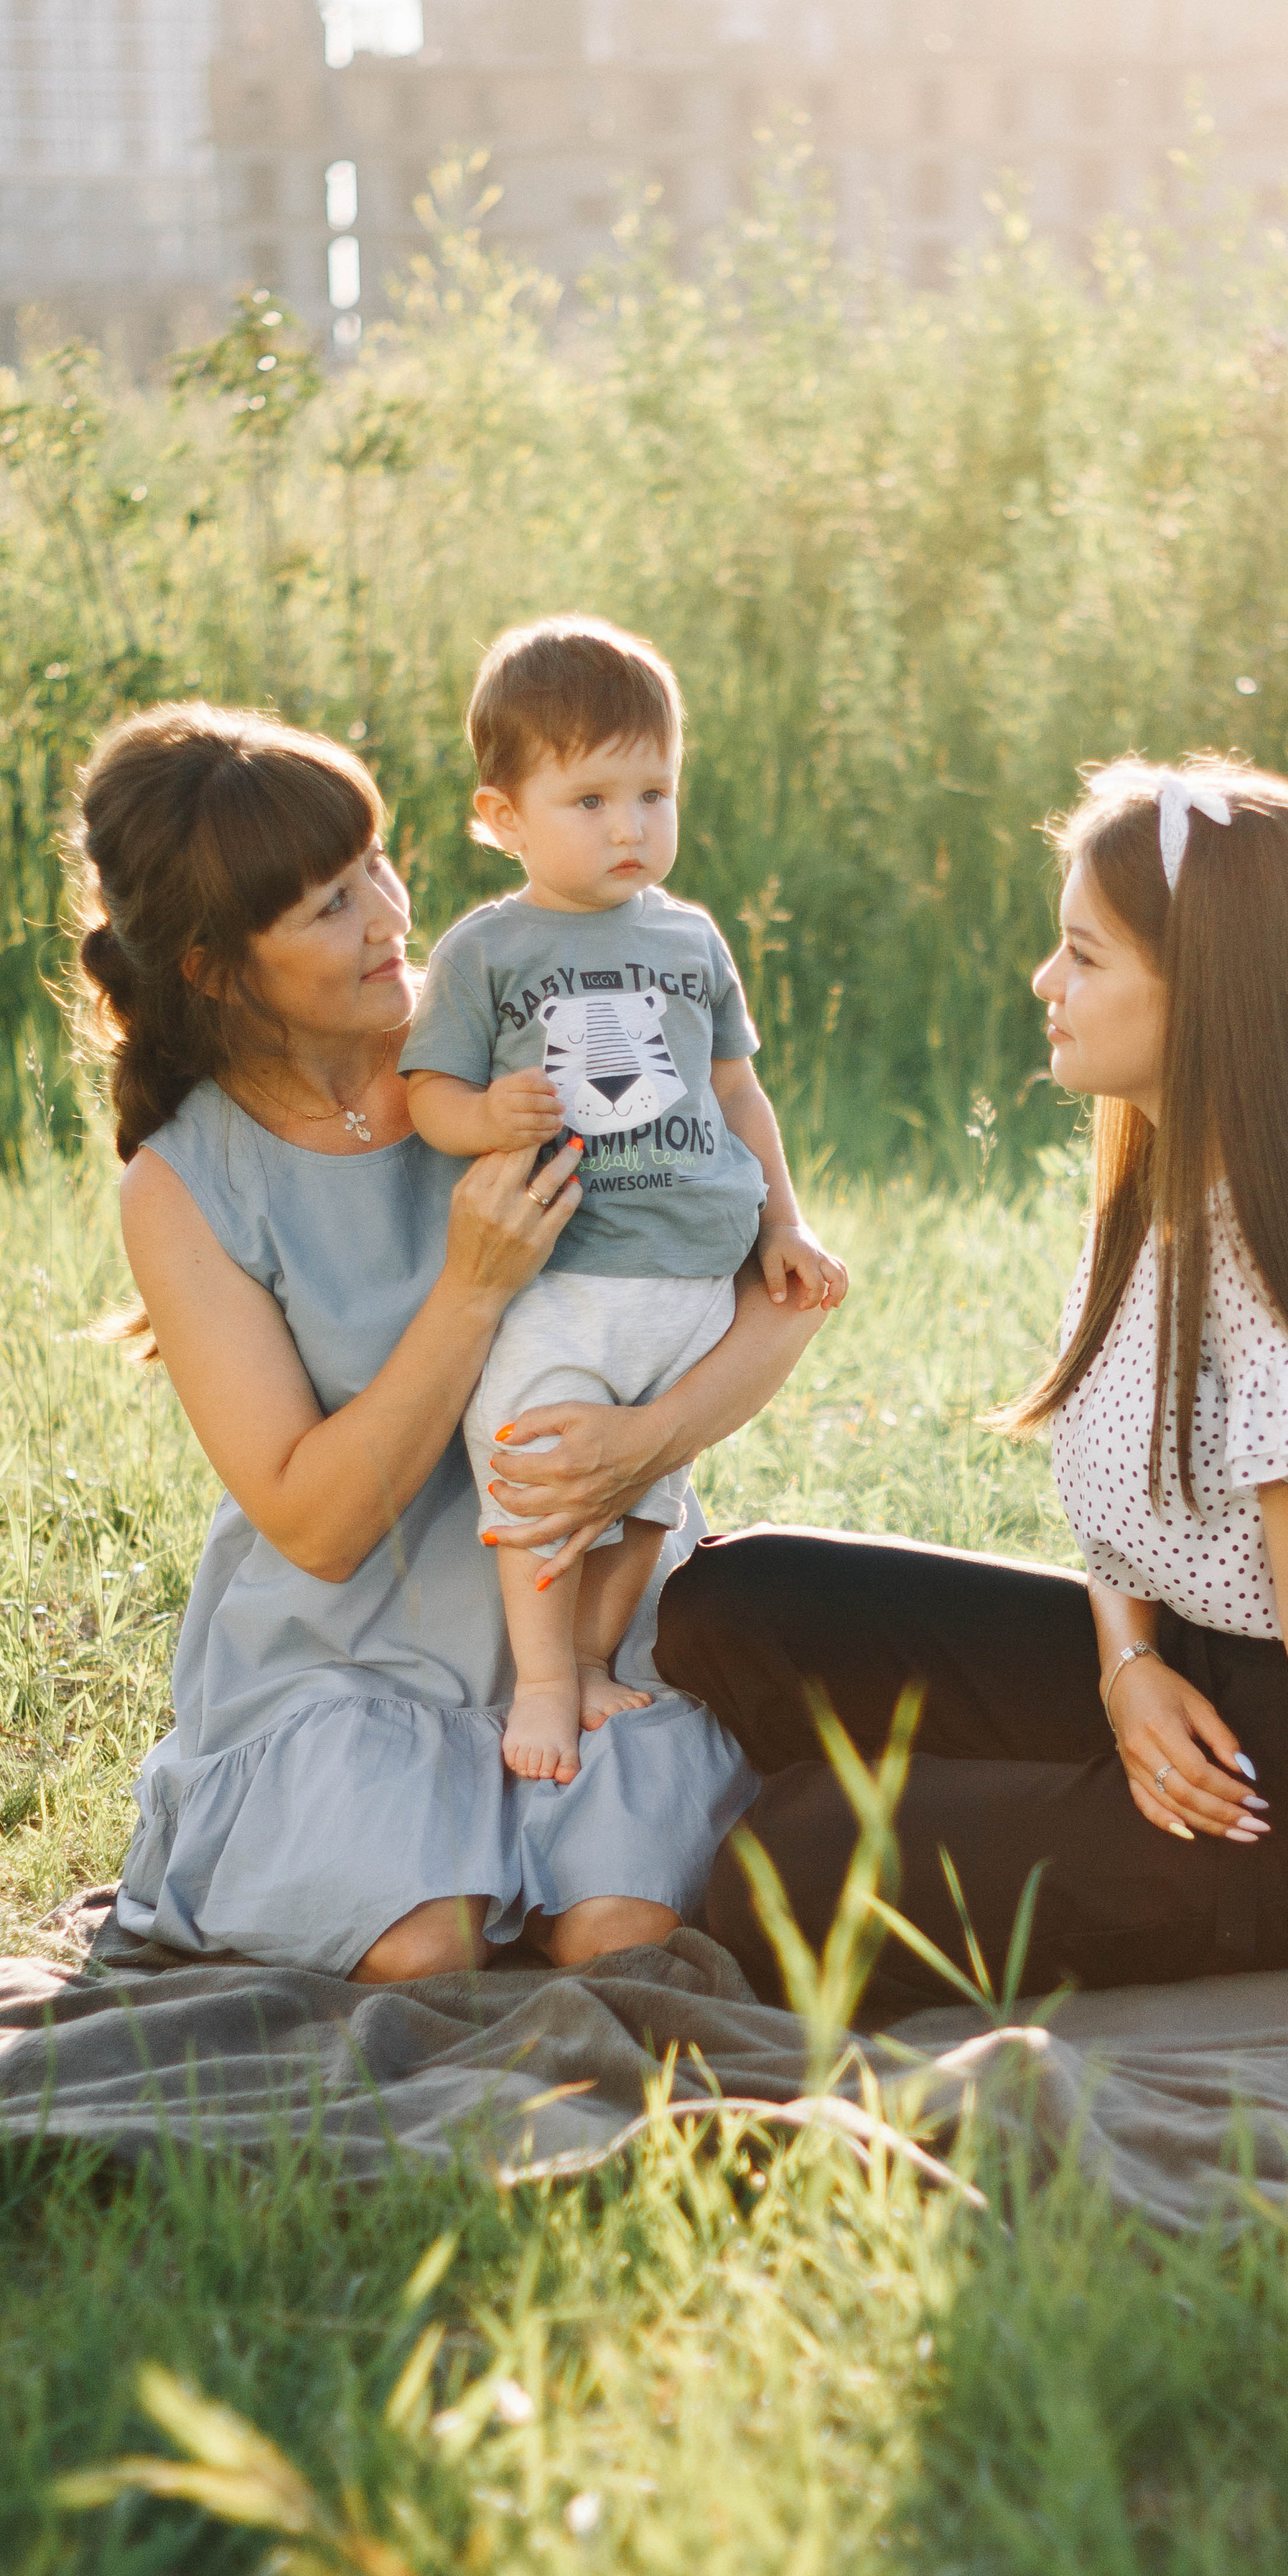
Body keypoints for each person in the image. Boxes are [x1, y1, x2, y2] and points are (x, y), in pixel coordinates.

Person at [658, 761, 1288, 2028]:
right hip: (1192, 1658)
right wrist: (1127, 1667)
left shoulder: (1277, 1247)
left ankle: (1212, 1886)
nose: (1045, 982)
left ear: (1211, 1000)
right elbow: (1126, 1524)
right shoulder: (1155, 1166)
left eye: (1083, 955)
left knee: (784, 1871)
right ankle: (1039, 1797)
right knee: (731, 1604)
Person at [78, 701, 822, 1982]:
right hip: (345, 1651)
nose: (390, 916)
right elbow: (315, 1524)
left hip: (588, 1614)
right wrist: (472, 1290)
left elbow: (774, 1289)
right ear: (211, 965)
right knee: (423, 1950)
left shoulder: (526, 1015)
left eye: (375, 860)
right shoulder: (183, 1184)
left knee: (624, 1941)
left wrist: (644, 1441)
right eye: (328, 905)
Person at [402, 617, 846, 1788]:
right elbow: (427, 1093)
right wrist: (483, 1118)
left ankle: (593, 1657)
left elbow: (739, 1092)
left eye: (654, 793)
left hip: (696, 1276)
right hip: (567, 1276)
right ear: (503, 816)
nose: (631, 826)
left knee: (652, 1493)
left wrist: (782, 1223)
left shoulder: (692, 939)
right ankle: (543, 1678)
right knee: (540, 1476)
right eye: (590, 799)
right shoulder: (487, 950)